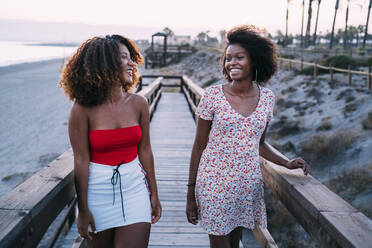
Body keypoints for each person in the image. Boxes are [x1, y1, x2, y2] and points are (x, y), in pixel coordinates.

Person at [186, 25, 310, 248]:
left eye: (239, 57)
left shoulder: (267, 98)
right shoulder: (213, 95)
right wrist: (190, 193)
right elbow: (198, 146)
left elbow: (259, 143)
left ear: (255, 60)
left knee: (235, 244)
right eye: (228, 58)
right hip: (214, 184)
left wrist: (287, 163)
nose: (232, 62)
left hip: (246, 185)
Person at [59, 35, 161, 248]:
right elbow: (81, 160)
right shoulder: (82, 109)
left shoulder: (139, 103)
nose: (131, 63)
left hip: (135, 189)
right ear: (105, 64)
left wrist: (154, 193)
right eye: (124, 58)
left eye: (131, 57)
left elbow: (145, 150)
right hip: (97, 194)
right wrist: (83, 208)